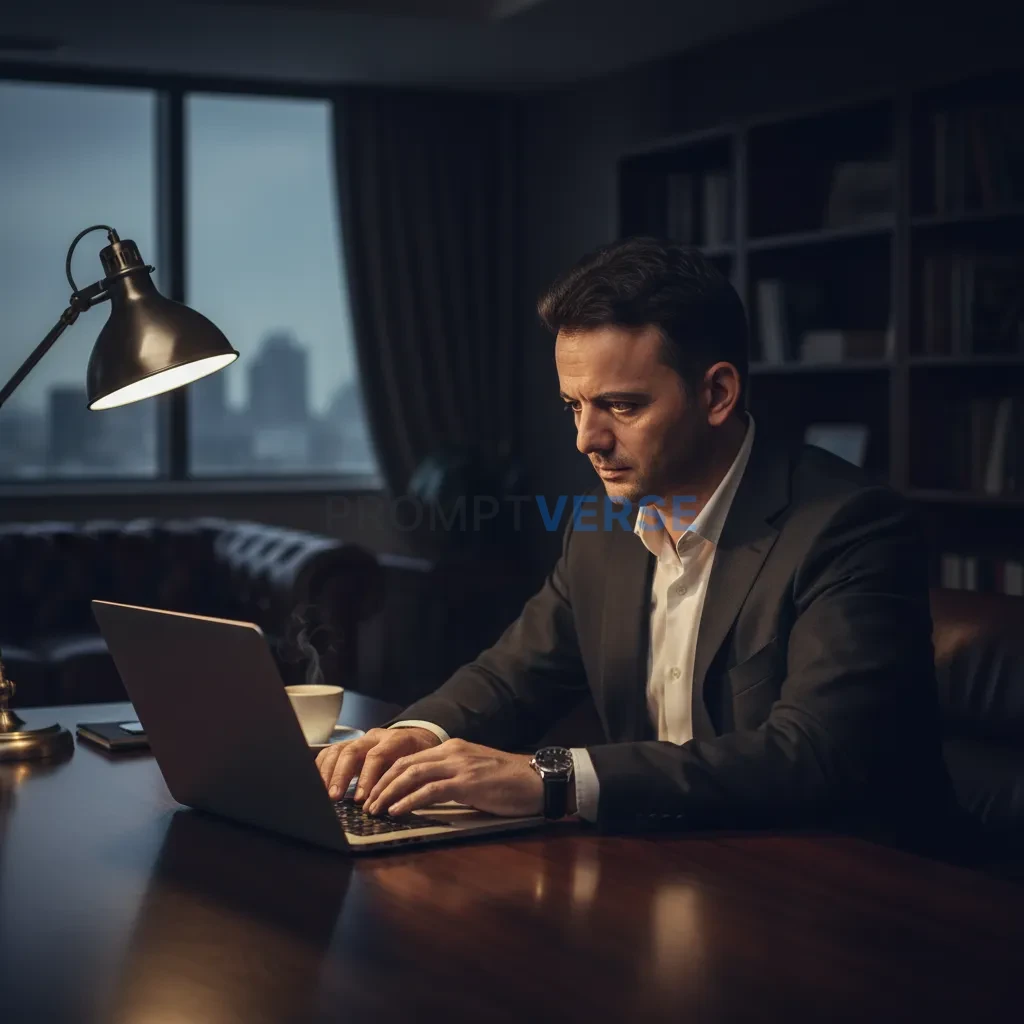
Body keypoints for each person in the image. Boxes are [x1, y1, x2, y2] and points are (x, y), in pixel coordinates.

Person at [316, 236, 959, 850]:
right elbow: (512, 676)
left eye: (620, 407)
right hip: (672, 860)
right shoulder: (604, 529)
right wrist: (412, 735)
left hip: (854, 891)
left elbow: (816, 754)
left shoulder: (850, 526)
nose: (585, 440)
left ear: (716, 393)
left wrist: (555, 779)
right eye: (574, 405)